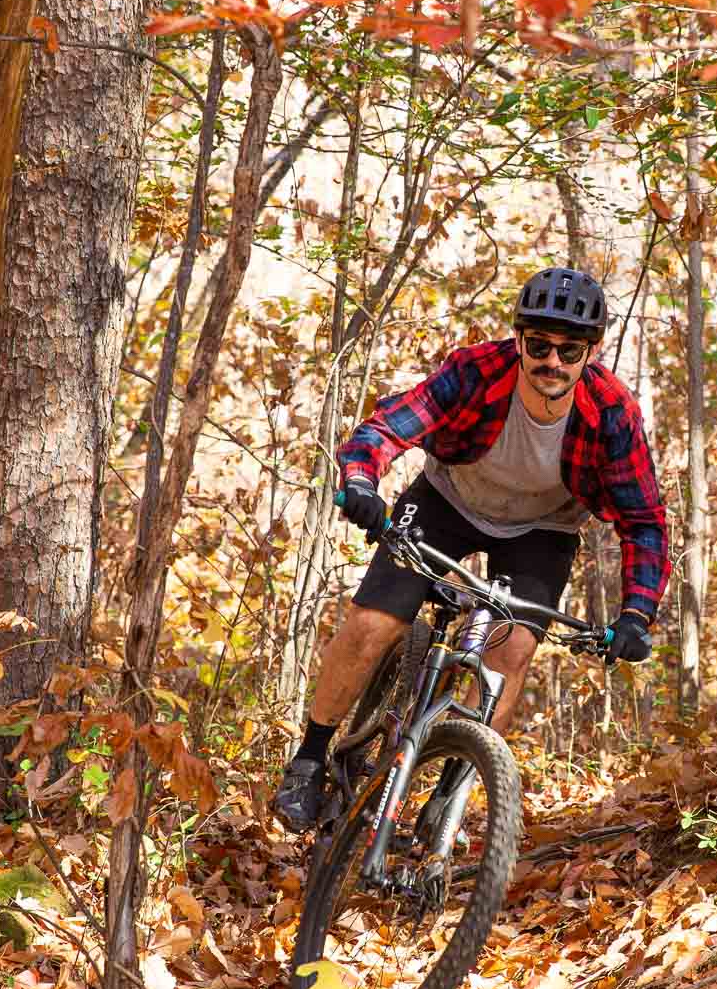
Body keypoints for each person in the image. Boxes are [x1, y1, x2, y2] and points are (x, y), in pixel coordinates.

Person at [272, 266, 671, 832]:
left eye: (569, 350)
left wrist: (636, 614)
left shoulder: (610, 412)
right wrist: (361, 482)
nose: (551, 362)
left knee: (509, 655)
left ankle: (449, 796)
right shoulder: (477, 372)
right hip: (447, 500)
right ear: (518, 338)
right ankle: (310, 760)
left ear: (592, 352)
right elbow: (386, 428)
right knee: (373, 623)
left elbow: (644, 521)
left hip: (544, 529)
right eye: (538, 345)